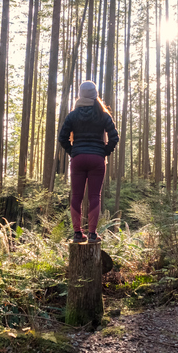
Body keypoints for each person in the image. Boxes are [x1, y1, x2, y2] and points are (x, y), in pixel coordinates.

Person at [58, 80, 119, 243]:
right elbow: (114, 137)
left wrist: (74, 152)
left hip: (78, 159)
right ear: (95, 94)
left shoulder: (72, 115)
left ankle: (77, 234)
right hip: (97, 159)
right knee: (94, 196)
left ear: (80, 95)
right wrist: (103, 152)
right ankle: (92, 234)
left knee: (76, 196)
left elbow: (62, 138)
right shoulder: (103, 114)